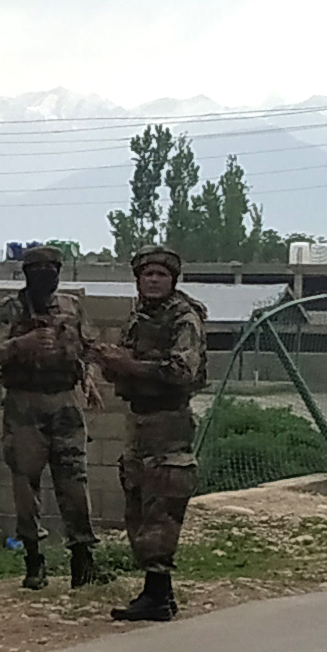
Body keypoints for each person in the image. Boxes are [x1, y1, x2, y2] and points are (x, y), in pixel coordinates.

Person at [90, 245, 207, 622]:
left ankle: (157, 594)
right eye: (147, 274)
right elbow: (127, 363)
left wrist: (131, 365)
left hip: (168, 420)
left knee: (162, 501)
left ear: (173, 280)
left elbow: (182, 371)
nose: (153, 280)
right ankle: (159, 593)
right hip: (139, 420)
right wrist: (110, 362)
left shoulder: (184, 318)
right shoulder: (139, 317)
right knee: (138, 502)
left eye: (161, 275)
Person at [0, 245, 104, 589]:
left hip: (65, 403)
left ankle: (83, 560)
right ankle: (34, 560)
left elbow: (89, 348)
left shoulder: (72, 307)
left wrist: (88, 379)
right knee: (25, 484)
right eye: (37, 271)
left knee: (74, 481)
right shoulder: (10, 308)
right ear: (26, 275)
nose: (45, 276)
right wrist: (22, 344)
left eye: (52, 270)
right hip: (25, 406)